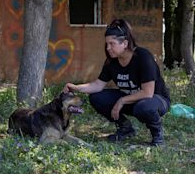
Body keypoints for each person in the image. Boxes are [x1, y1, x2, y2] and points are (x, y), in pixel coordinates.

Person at [63, 18, 171, 146]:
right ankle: (125, 128)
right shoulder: (111, 62)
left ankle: (157, 137)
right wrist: (76, 87)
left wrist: (121, 101)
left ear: (125, 43)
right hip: (133, 99)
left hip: (156, 99)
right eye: (107, 44)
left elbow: (147, 93)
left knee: (144, 107)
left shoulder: (143, 57)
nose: (108, 48)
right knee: (97, 98)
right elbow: (98, 85)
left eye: (112, 44)